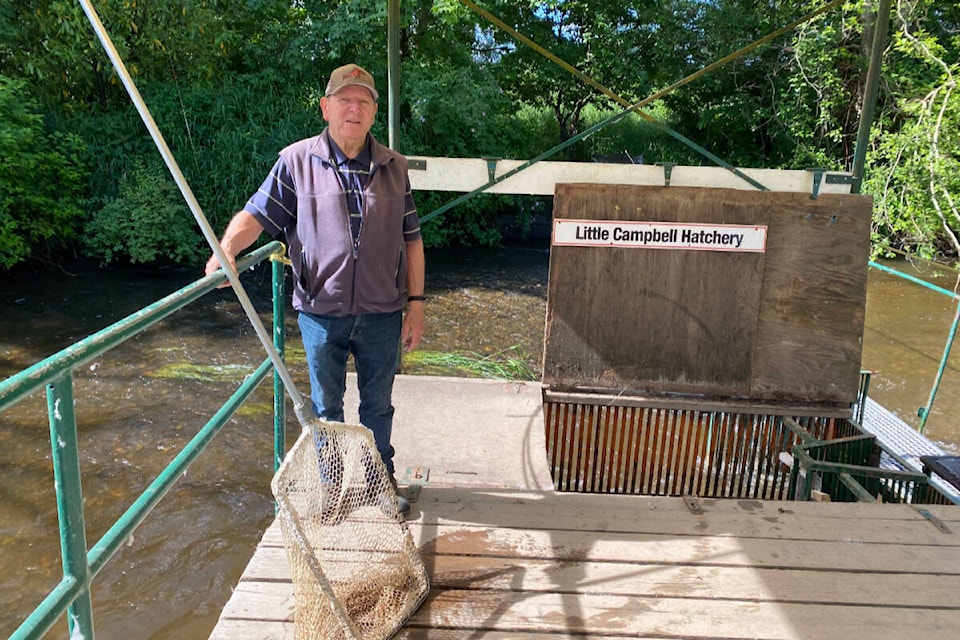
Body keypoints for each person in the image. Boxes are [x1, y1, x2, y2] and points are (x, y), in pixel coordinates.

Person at [205, 63, 425, 515]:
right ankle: (332, 489)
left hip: (383, 311)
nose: (354, 108)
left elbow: (412, 241)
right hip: (320, 312)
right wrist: (227, 249)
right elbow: (258, 214)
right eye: (345, 99)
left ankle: (379, 482)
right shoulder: (295, 162)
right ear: (326, 107)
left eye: (364, 101)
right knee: (326, 408)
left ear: (374, 112)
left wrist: (416, 306)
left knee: (378, 406)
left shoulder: (394, 167)